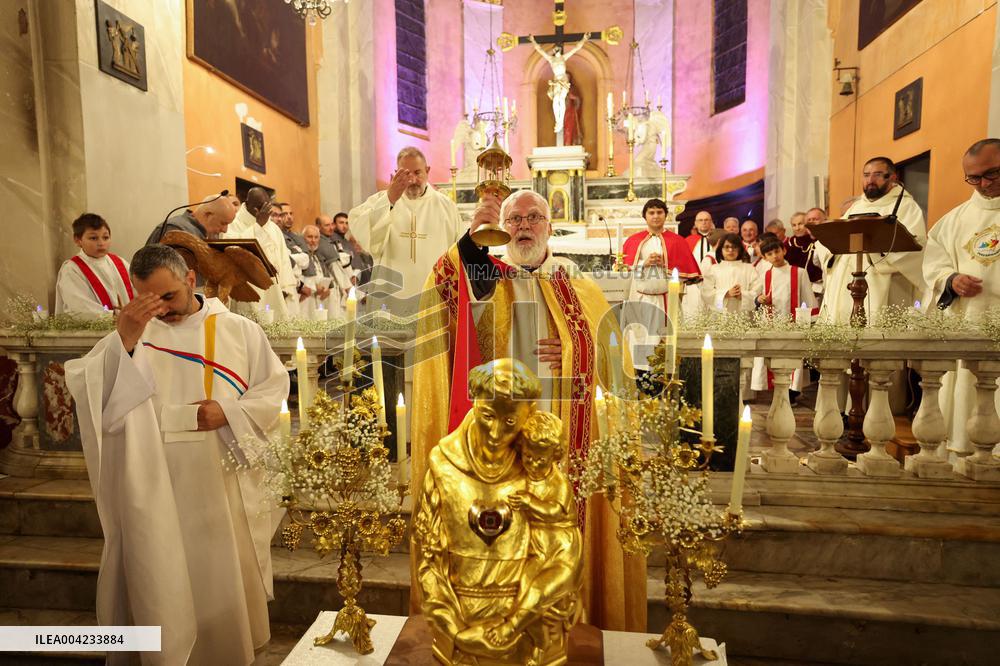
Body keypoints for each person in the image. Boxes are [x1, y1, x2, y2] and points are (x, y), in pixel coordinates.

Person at [412, 189, 645, 632]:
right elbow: (443, 295)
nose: (523, 226)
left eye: (533, 217)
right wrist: (471, 239)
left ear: (550, 226)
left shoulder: (581, 287)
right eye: (513, 219)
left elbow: (617, 367)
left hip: (562, 445)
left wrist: (577, 350)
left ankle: (571, 626)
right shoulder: (486, 276)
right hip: (499, 446)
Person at [65, 244, 288, 665]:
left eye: (168, 297)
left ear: (190, 278)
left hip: (219, 481)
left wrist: (229, 411)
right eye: (148, 299)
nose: (160, 310)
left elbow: (274, 388)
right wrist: (125, 341)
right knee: (161, 574)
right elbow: (92, 391)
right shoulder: (135, 331)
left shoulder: (240, 330)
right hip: (155, 483)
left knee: (218, 579)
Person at [922, 138, 1000, 459]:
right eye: (974, 178)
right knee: (969, 397)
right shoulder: (952, 221)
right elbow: (934, 265)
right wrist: (951, 280)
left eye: (993, 174)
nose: (983, 184)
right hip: (969, 322)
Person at [349, 147, 465, 309]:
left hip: (434, 296)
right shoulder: (382, 200)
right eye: (406, 174)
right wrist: (389, 200)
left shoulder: (446, 207)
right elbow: (358, 222)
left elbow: (459, 252)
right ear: (396, 173)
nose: (412, 179)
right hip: (390, 297)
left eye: (417, 173)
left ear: (427, 170)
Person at [819, 156, 926, 324]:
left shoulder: (905, 206)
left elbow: (915, 246)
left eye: (877, 174)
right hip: (848, 281)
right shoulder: (857, 206)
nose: (870, 180)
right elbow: (836, 236)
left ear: (892, 177)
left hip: (884, 282)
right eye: (866, 175)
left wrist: (875, 254)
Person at [621, 198, 701, 381]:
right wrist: (644, 263)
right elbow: (622, 270)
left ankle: (665, 383)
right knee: (639, 341)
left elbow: (686, 273)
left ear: (666, 215)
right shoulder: (634, 240)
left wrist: (665, 264)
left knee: (666, 344)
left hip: (667, 301)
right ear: (645, 216)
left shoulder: (677, 241)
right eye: (651, 212)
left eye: (659, 212)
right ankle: (642, 382)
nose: (656, 216)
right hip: (640, 299)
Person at [753, 235, 818, 396]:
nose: (774, 256)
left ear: (784, 250)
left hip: (793, 322)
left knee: (792, 357)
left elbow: (808, 297)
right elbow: (757, 295)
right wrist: (759, 299)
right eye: (769, 254)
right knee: (773, 358)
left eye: (777, 251)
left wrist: (810, 320)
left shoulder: (799, 272)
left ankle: (792, 393)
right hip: (771, 322)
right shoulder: (765, 275)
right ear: (764, 257)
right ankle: (775, 390)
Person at [222, 187, 296, 319]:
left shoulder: (274, 228)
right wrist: (258, 227)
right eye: (263, 208)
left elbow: (284, 259)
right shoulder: (232, 223)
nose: (266, 212)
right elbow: (233, 250)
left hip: (275, 292)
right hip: (248, 292)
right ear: (251, 206)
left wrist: (285, 288)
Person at [55, 213, 133, 316]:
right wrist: (113, 316)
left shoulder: (120, 263)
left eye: (105, 237)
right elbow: (79, 307)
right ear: (78, 240)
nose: (101, 243)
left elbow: (139, 290)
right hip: (97, 329)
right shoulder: (72, 269)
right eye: (93, 238)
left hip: (127, 326)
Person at [146, 192, 236, 245]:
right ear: (208, 214)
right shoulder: (176, 230)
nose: (225, 230)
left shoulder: (205, 233)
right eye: (223, 223)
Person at [701, 232, 761, 312]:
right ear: (720, 249)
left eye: (734, 247)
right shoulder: (714, 269)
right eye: (726, 247)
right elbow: (706, 293)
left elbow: (757, 291)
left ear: (739, 249)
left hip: (743, 315)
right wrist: (726, 294)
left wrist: (742, 295)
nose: (730, 250)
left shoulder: (749, 269)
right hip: (721, 316)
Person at [785, 208, 825, 300]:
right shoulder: (789, 244)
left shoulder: (815, 241)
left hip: (816, 286)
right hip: (795, 285)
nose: (797, 228)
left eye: (800, 224)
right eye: (794, 225)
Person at [332, 211, 374, 285]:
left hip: (354, 281)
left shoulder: (347, 243)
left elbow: (357, 263)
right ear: (334, 224)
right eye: (341, 223)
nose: (344, 226)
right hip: (340, 282)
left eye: (347, 223)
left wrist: (356, 275)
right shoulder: (331, 240)